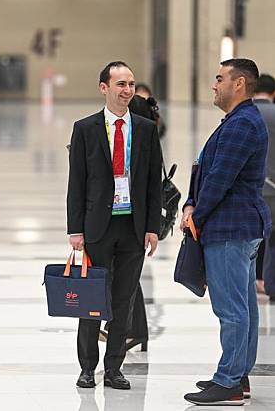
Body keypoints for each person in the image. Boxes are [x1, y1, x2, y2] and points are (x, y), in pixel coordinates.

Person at [67, 61, 162, 390]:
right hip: (97, 226)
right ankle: (86, 367)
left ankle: (114, 368)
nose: (127, 90)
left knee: (124, 301)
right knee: (92, 300)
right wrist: (74, 229)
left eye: (131, 84)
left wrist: (153, 227)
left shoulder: (146, 129)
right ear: (104, 87)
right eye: (120, 84)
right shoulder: (86, 129)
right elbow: (76, 181)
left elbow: (153, 183)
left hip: (132, 227)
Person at [182, 59, 271, 406]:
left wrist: (196, 216)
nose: (214, 85)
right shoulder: (238, 121)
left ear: (239, 84)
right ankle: (238, 375)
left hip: (230, 227)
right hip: (239, 226)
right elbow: (208, 171)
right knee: (243, 306)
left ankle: (229, 381)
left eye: (220, 79)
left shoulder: (241, 125)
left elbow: (219, 179)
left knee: (231, 309)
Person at [254, 74, 275, 300]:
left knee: (252, 239)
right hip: (274, 190)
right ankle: (271, 284)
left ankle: (254, 279)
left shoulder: (244, 114)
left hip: (251, 190)